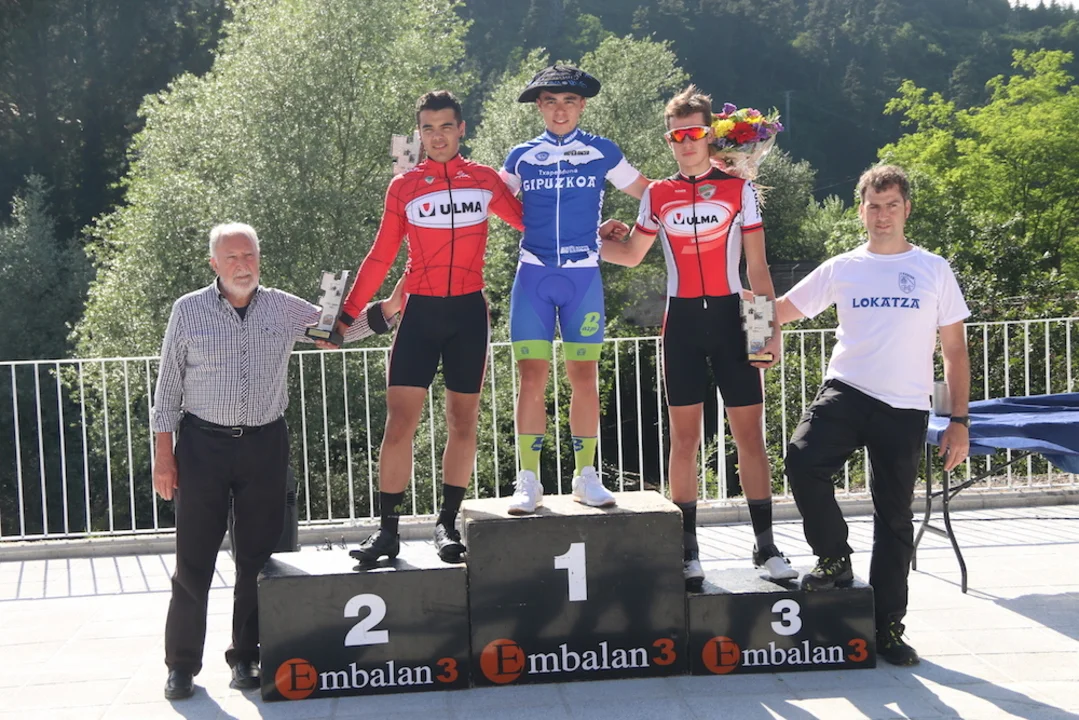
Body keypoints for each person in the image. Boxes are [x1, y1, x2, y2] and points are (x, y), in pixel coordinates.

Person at [151, 223, 399, 700]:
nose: (242, 265)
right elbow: (167, 389)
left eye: (249, 255)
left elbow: (336, 331)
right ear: (214, 264)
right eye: (232, 257)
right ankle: (181, 665)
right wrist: (164, 455)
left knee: (255, 559)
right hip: (201, 447)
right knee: (193, 561)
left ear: (259, 259)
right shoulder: (188, 310)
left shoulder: (282, 307)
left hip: (264, 445)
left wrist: (389, 306)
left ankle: (246, 656)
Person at [599, 85, 796, 589]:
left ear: (710, 135)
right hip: (682, 324)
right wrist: (589, 241)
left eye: (693, 134)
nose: (685, 143)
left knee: (749, 437)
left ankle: (766, 546)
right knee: (684, 441)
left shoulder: (738, 190)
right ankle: (688, 552)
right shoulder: (657, 195)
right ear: (669, 140)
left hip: (732, 320)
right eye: (676, 136)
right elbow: (631, 255)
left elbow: (758, 269)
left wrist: (766, 332)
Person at [775, 164, 971, 666]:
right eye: (874, 206)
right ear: (861, 211)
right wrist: (727, 311)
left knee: (895, 518)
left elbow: (954, 350)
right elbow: (780, 310)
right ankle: (834, 556)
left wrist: (958, 421)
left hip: (905, 406)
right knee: (802, 459)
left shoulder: (933, 269)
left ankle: (887, 627)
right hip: (847, 391)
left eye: (892, 206)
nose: (882, 215)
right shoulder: (843, 267)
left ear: (907, 209)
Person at [335, 90, 524, 564]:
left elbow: (535, 226)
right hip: (419, 313)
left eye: (445, 127)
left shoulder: (485, 180)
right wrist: (345, 316)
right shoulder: (404, 186)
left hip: (468, 315)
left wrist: (595, 231)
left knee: (462, 422)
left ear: (461, 128)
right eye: (427, 128)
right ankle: (387, 532)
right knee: (400, 423)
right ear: (418, 134)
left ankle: (446, 524)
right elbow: (380, 257)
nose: (437, 137)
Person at [500, 64, 650, 514]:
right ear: (539, 107)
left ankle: (586, 476)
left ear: (582, 105)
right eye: (550, 102)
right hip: (533, 276)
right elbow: (492, 203)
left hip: (583, 278)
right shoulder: (521, 156)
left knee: (584, 378)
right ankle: (529, 480)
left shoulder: (602, 151)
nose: (560, 110)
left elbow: (653, 194)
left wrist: (633, 240)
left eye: (568, 101)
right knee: (531, 378)